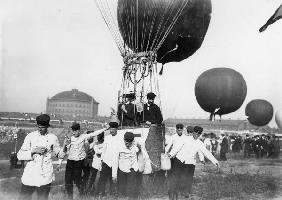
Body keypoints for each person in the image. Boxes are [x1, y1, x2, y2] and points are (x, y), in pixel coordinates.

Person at [17, 114, 65, 200]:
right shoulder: (30, 136)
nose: (40, 129)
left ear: (47, 126)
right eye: (39, 127)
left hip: (45, 175)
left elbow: (59, 154)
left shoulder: (53, 138)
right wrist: (33, 151)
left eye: (42, 127)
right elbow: (19, 155)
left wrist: (65, 147)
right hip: (30, 174)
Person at [168, 126, 220, 199]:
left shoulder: (200, 143)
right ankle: (172, 194)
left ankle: (184, 192)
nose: (196, 135)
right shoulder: (185, 139)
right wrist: (170, 155)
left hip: (189, 163)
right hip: (179, 160)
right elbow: (176, 148)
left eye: (198, 134)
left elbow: (207, 153)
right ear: (193, 132)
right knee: (175, 178)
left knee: (185, 179)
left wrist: (215, 162)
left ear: (200, 135)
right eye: (195, 133)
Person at [63, 122, 108, 199]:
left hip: (78, 162)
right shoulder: (69, 138)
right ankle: (69, 197)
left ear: (79, 130)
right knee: (67, 180)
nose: (74, 132)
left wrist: (105, 128)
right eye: (73, 131)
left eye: (76, 130)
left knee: (77, 180)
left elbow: (95, 133)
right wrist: (65, 144)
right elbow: (64, 150)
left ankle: (83, 193)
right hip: (70, 162)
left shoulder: (83, 137)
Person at [112, 131, 143, 199]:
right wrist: (114, 175)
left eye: (130, 142)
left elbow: (140, 150)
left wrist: (139, 147)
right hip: (122, 170)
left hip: (133, 169)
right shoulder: (119, 146)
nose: (128, 143)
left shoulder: (135, 145)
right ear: (124, 139)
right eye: (126, 141)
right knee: (122, 189)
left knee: (131, 189)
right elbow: (115, 161)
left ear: (132, 141)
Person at [97, 121, 122, 198]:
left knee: (114, 179)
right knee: (102, 179)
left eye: (113, 129)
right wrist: (101, 160)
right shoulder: (107, 138)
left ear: (116, 129)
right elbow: (104, 150)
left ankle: (114, 194)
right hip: (106, 161)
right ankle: (101, 194)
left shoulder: (120, 138)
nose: (111, 131)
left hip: (115, 162)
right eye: (111, 129)